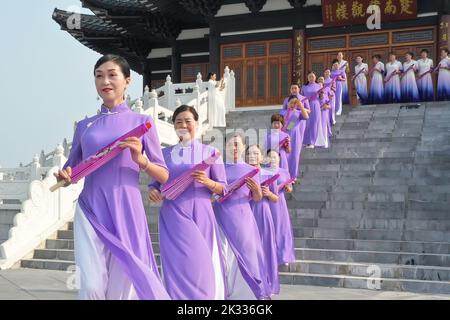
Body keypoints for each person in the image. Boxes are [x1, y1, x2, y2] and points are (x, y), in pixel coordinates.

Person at [54, 54, 170, 300]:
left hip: (126, 210)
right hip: (90, 208)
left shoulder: (142, 122)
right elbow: (70, 172)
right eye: (99, 75)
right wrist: (64, 175)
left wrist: (142, 160)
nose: (105, 80)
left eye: (112, 74)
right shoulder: (84, 126)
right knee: (91, 286)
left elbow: (163, 173)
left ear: (127, 81)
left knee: (123, 288)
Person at [148, 105, 227, 300]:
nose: (183, 125)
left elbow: (224, 188)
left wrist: (207, 182)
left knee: (201, 265)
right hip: (172, 215)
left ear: (196, 124)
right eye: (178, 122)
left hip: (200, 213)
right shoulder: (164, 154)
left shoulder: (210, 152)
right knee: (176, 265)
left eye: (187, 121)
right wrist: (153, 192)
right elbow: (154, 184)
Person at [214, 134, 271, 300]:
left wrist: (256, 190)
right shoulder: (219, 168)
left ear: (244, 147)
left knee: (246, 253)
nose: (235, 147)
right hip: (220, 215)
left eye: (238, 144)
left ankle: (245, 293)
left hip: (242, 217)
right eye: (231, 144)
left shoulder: (251, 170)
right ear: (226, 147)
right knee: (223, 254)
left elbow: (257, 198)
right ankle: (224, 291)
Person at [247, 144, 280, 296]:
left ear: (261, 157)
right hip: (246, 213)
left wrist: (267, 193)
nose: (252, 156)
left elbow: (276, 198)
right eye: (249, 153)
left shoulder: (268, 174)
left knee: (266, 247)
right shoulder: (243, 173)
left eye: (256, 153)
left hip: (263, 213)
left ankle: (269, 283)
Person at [266, 149, 295, 266]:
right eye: (270, 157)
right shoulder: (264, 172)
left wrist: (288, 188)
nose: (272, 159)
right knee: (271, 228)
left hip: (281, 203)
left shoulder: (284, 172)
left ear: (279, 158)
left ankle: (285, 255)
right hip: (268, 202)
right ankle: (272, 256)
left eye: (274, 157)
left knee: (283, 228)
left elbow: (289, 187)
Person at [280, 95, 309, 179]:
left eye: (295, 103)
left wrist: (301, 106)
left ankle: (293, 176)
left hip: (295, 137)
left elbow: (306, 116)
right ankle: (284, 175)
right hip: (284, 136)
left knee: (294, 156)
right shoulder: (282, 112)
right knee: (284, 157)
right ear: (287, 103)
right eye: (291, 103)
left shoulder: (298, 113)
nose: (292, 105)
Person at [302, 71, 326, 149]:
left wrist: (322, 93)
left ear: (315, 77)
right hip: (306, 106)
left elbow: (322, 97)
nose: (311, 78)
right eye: (309, 77)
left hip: (315, 105)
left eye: (312, 76)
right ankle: (306, 141)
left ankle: (312, 142)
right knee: (307, 124)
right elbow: (302, 97)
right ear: (307, 78)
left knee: (314, 123)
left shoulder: (319, 85)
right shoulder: (304, 87)